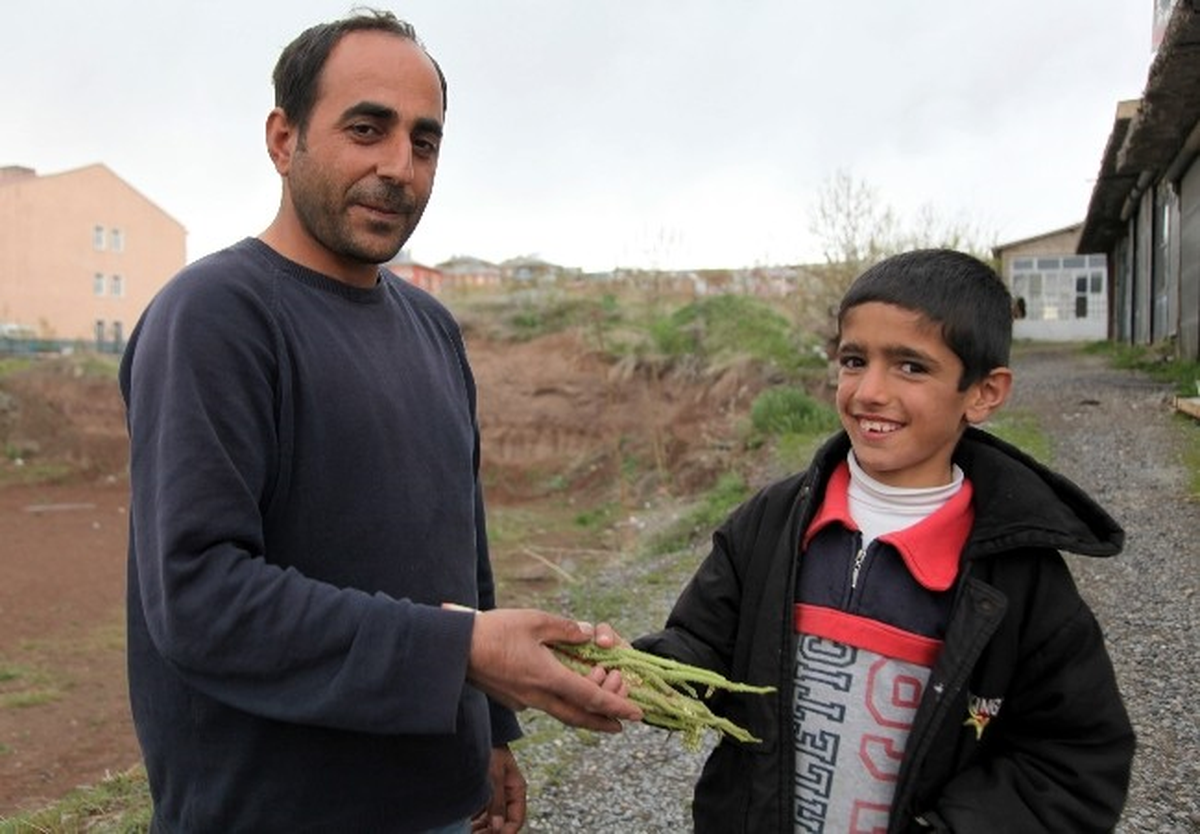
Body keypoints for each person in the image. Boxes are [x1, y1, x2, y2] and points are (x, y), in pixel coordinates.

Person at [119, 10, 640, 833]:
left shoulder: (431, 327)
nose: (399, 166)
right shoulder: (216, 315)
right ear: (283, 139)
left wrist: (492, 732)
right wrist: (462, 654)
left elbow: (460, 554)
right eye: (367, 129)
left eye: (424, 142)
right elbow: (200, 596)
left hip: (439, 800)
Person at [634, 249, 1135, 832]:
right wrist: (645, 676)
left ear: (984, 393)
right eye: (854, 360)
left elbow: (1072, 760)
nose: (869, 391)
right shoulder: (771, 522)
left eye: (911, 367)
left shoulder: (1018, 574)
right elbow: (702, 646)